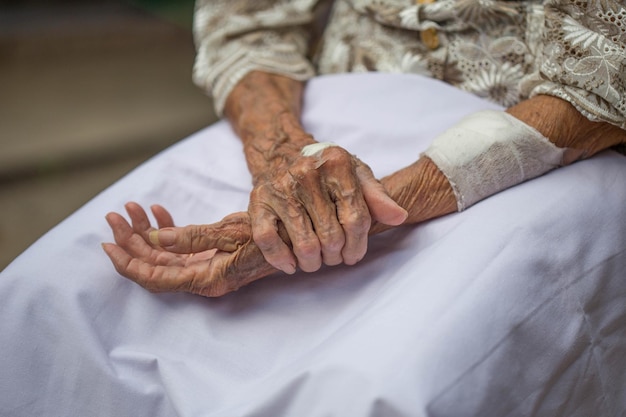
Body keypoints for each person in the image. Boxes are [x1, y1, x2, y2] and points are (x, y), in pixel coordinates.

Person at [103, 0, 626, 297]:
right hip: (315, 114)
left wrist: (340, 217)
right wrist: (285, 155)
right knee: (77, 289)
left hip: (536, 157)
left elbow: (600, 86)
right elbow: (248, 28)